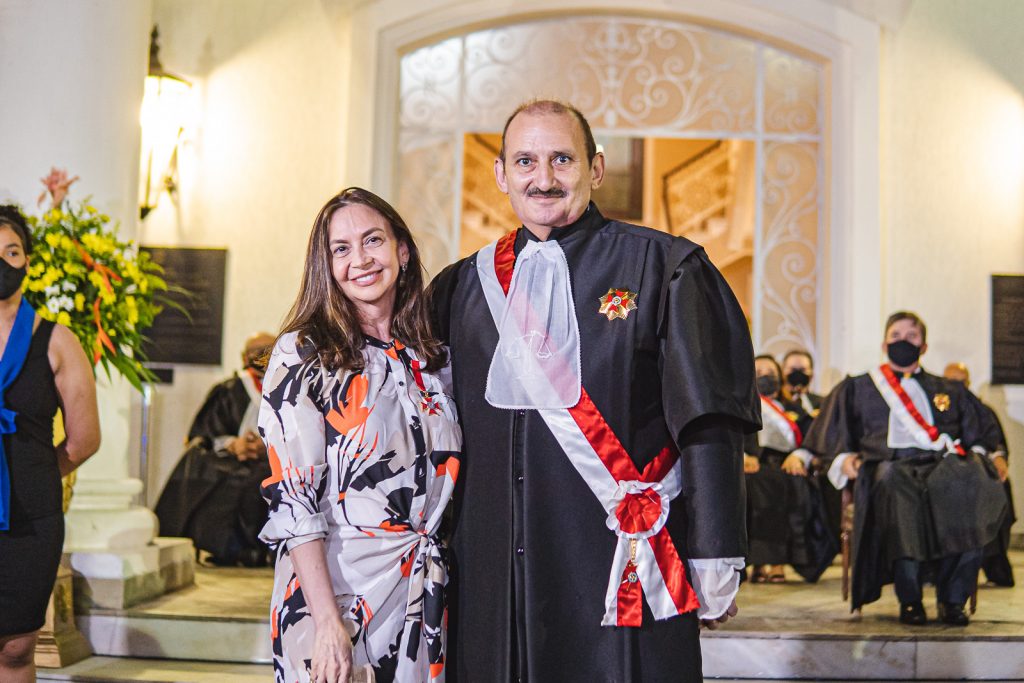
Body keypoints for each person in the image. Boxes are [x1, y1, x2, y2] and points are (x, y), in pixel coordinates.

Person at [429, 100, 760, 681]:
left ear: (595, 168)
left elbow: (709, 422)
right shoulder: (458, 287)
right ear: (502, 175)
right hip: (491, 565)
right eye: (525, 161)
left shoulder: (666, 267)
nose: (544, 177)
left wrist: (714, 554)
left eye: (562, 158)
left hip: (616, 558)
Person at [258, 188, 461, 682]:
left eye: (373, 240)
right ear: (325, 266)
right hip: (339, 595)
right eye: (341, 249)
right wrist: (327, 622)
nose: (361, 260)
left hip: (421, 594)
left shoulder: (431, 358)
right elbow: (296, 502)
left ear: (402, 251)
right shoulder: (303, 355)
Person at [804, 311, 1007, 626]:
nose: (903, 341)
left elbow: (980, 434)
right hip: (889, 466)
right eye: (896, 335)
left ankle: (953, 600)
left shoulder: (949, 389)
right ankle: (910, 599)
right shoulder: (857, 388)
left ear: (924, 346)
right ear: (884, 344)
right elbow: (830, 437)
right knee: (894, 488)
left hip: (942, 466)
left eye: (911, 336)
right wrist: (845, 460)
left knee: (973, 482)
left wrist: (992, 456)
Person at [0, 205, 100, 682]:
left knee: (17, 646)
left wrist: (34, 475)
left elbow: (83, 440)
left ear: (27, 261)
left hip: (30, 516)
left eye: (11, 251)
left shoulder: (58, 341)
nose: (2, 261)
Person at [154, 332, 276, 567]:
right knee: (218, 475)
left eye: (267, 349)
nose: (261, 356)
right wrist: (234, 444)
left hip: (274, 460)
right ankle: (231, 549)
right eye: (255, 351)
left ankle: (264, 550)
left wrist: (268, 446)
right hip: (232, 459)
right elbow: (204, 435)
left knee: (264, 479)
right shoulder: (229, 389)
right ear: (244, 357)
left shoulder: (291, 388)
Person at [745, 354, 835, 584]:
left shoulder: (793, 408)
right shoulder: (743, 405)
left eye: (771, 373)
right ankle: (756, 561)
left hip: (787, 467)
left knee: (791, 485)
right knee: (756, 486)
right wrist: (744, 456)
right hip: (753, 466)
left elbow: (810, 439)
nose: (766, 378)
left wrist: (799, 456)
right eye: (760, 374)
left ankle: (777, 562)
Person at [942, 361, 1014, 587]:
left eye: (960, 382)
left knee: (1000, 486)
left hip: (976, 470)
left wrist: (999, 459)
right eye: (950, 383)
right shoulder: (936, 410)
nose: (956, 388)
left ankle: (993, 561)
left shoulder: (982, 411)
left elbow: (996, 444)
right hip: (943, 473)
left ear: (968, 383)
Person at [781, 349, 823, 417]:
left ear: (811, 374)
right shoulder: (777, 404)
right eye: (793, 369)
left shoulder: (824, 404)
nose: (797, 373)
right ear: (782, 372)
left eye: (802, 370)